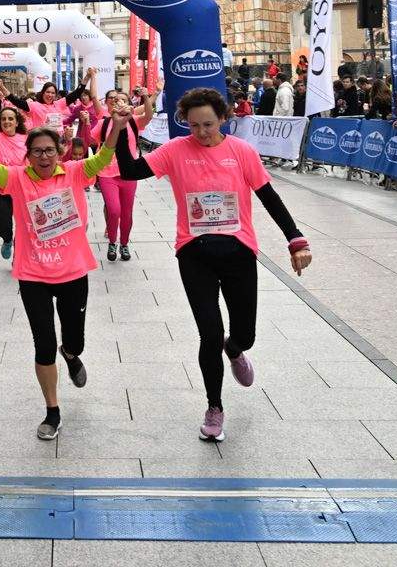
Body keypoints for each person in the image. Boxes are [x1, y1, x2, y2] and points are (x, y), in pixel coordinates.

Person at [114, 88, 312, 443]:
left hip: (238, 252)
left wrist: (295, 239)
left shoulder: (242, 152)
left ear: (223, 119)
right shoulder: (175, 150)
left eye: (207, 124)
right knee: (208, 333)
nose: (201, 132)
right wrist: (120, 127)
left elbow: (269, 197)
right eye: (193, 126)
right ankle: (214, 407)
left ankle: (234, 350)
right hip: (194, 254)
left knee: (245, 334)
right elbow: (128, 171)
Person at [0, 112, 123, 441]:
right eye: (37, 151)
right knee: (43, 346)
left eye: (49, 150)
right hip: (33, 274)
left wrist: (118, 127)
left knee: (73, 340)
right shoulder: (16, 177)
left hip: (72, 272)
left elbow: (104, 159)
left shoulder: (74, 172)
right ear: (28, 154)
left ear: (61, 151)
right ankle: (52, 411)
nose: (43, 157)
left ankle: (70, 354)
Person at [93, 88, 152, 262]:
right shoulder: (103, 123)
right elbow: (94, 142)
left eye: (122, 100)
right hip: (107, 174)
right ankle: (112, 241)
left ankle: (124, 244)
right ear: (109, 103)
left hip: (129, 173)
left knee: (126, 213)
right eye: (113, 99)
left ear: (128, 104)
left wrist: (146, 96)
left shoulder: (134, 121)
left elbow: (148, 116)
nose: (117, 102)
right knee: (113, 210)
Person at [0, 96, 29, 261]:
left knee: (23, 227)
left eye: (11, 119)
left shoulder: (26, 139)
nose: (7, 122)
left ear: (17, 122)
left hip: (22, 189)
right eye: (3, 119)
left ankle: (19, 255)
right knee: (5, 226)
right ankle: (7, 239)